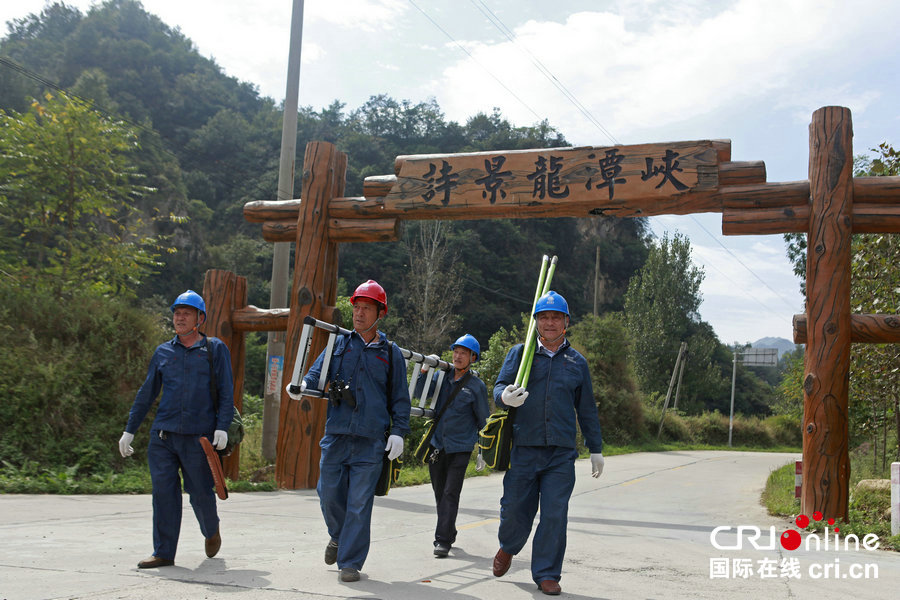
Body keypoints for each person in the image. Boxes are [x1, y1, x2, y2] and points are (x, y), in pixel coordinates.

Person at [490, 290, 604, 596]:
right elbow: (498, 388)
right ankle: (508, 546)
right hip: (524, 448)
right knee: (515, 510)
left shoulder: (576, 362)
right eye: (544, 317)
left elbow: (587, 409)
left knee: (555, 514)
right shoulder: (521, 354)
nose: (550, 323)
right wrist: (504, 396)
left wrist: (596, 448)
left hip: (561, 453)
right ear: (536, 321)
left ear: (566, 322)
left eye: (556, 317)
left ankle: (546, 573)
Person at [297, 279, 411, 583]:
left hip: (370, 441)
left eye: (366, 308)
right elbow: (313, 376)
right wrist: (303, 387)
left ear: (380, 313)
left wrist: (398, 431)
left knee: (360, 504)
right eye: (356, 307)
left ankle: (350, 562)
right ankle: (338, 535)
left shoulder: (390, 352)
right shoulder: (337, 344)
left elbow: (400, 397)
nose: (359, 314)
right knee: (328, 495)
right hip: (336, 435)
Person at [117, 290, 234, 569]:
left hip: (199, 438)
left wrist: (222, 427)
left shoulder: (214, 349)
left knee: (201, 494)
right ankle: (164, 552)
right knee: (164, 494)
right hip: (163, 437)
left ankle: (211, 529)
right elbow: (147, 393)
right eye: (176, 313)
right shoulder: (163, 352)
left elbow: (227, 392)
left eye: (186, 313)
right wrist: (129, 429)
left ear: (200, 318)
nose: (179, 317)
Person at [414, 334, 490, 558]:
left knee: (450, 493)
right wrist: (425, 371)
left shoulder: (476, 386)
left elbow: (483, 420)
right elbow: (420, 394)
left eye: (463, 352)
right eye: (456, 351)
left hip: (461, 447)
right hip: (438, 444)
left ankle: (442, 540)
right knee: (439, 492)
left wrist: (483, 450)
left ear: (472, 357)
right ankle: (449, 530)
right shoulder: (440, 376)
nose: (458, 355)